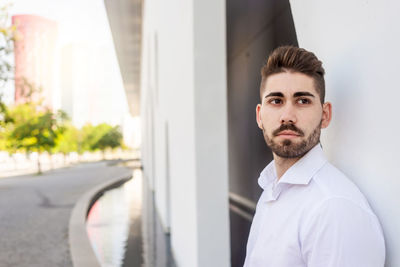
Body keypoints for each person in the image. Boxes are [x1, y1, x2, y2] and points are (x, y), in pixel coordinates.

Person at [243, 46, 385, 267]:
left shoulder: (334, 209)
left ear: (325, 115)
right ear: (260, 116)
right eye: (276, 101)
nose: (287, 116)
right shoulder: (271, 189)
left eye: (302, 101)